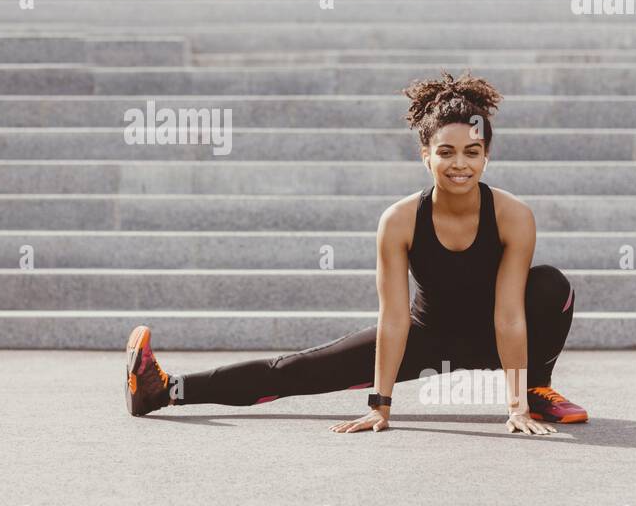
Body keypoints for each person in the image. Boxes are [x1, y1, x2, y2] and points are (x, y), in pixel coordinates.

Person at [124, 69, 588, 435]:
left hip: (496, 336)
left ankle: (536, 389)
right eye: (446, 152)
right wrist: (380, 406)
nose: (460, 164)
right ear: (425, 154)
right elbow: (394, 318)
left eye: (472, 151)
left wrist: (515, 406)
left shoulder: (512, 215)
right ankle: (162, 390)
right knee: (297, 370)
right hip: (425, 337)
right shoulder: (400, 220)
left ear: (487, 155)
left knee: (551, 285)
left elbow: (509, 316)